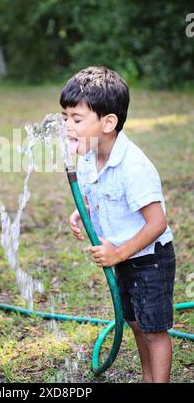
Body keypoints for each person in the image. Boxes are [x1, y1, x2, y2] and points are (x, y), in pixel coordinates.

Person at [60, 66, 175, 383]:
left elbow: (157, 223)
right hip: (121, 256)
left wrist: (118, 253)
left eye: (77, 119)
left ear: (108, 122)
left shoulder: (133, 167)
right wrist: (80, 211)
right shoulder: (87, 156)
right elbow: (90, 192)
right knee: (136, 323)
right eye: (65, 117)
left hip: (149, 258)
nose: (67, 126)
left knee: (154, 330)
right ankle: (148, 377)